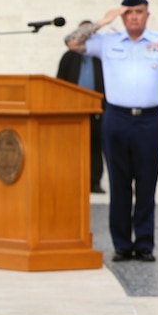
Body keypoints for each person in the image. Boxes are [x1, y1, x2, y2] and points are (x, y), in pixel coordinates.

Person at [73, 0, 158, 262]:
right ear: (123, 16)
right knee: (119, 184)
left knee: (147, 184)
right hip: (117, 119)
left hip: (150, 121)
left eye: (139, 12)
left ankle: (144, 243)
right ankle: (122, 244)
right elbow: (72, 42)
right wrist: (103, 21)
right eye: (129, 12)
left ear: (147, 14)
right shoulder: (108, 41)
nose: (134, 17)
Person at [57, 28, 107, 193]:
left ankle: (94, 182)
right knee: (72, 148)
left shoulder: (100, 57)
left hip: (97, 111)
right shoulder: (69, 57)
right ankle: (72, 179)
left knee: (95, 147)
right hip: (72, 110)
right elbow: (60, 82)